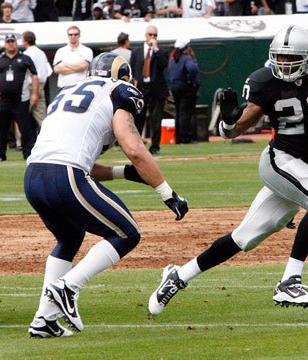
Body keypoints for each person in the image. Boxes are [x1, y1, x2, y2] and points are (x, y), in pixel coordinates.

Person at [147, 25, 308, 315]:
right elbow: (234, 130)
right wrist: (229, 121)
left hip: (302, 169)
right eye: (280, 58)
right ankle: (289, 282)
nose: (285, 65)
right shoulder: (265, 81)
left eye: (291, 59)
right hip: (279, 159)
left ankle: (178, 276)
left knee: (244, 238)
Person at [26, 52, 188, 338]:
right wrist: (167, 193)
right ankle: (68, 286)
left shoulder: (68, 91)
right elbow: (134, 147)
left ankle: (44, 320)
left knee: (69, 238)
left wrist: (124, 173)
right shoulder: (119, 90)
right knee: (127, 233)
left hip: (33, 177)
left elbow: (84, 160)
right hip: (64, 174)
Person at [0, 33, 39, 162]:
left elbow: (34, 76)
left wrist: (35, 93)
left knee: (25, 128)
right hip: (2, 100)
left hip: (21, 100)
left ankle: (28, 153)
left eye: (12, 41)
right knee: (1, 128)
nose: (10, 43)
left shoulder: (25, 58)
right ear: (5, 44)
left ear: (16, 42)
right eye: (8, 41)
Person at [129, 25, 169, 154]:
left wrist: (156, 49)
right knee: (138, 118)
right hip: (141, 88)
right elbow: (133, 69)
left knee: (156, 119)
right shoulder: (136, 52)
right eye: (150, 34)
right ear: (145, 35)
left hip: (156, 88)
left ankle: (155, 146)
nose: (152, 37)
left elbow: (164, 65)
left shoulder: (162, 52)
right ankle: (137, 145)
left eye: (155, 35)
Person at [169, 38, 200, 144]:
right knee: (185, 113)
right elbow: (192, 69)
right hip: (185, 87)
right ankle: (185, 137)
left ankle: (178, 137)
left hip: (174, 86)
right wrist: (192, 81)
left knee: (178, 112)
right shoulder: (186, 59)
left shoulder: (173, 59)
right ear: (186, 48)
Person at [22, 31, 53, 132]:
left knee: (22, 115)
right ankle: (49, 137)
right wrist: (40, 88)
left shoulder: (26, 54)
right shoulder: (42, 53)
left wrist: (34, 90)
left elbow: (26, 74)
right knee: (42, 117)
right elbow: (47, 72)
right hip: (40, 86)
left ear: (25, 41)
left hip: (29, 86)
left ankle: (20, 142)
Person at [52, 26, 93, 90]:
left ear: (79, 36)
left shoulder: (87, 50)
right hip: (64, 87)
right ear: (67, 36)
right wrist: (77, 68)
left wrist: (65, 64)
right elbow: (57, 69)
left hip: (81, 87)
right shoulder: (60, 51)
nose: (73, 36)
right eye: (70, 34)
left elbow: (83, 66)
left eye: (75, 34)